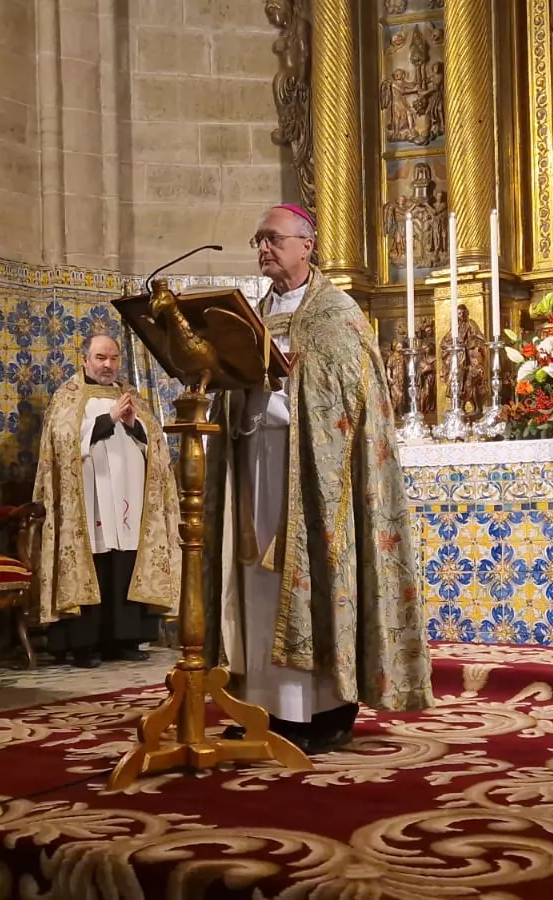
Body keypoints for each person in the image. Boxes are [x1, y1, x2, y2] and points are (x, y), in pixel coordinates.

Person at [204, 203, 433, 756]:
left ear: (306, 245)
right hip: (254, 466)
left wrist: (290, 385)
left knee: (311, 578)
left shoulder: (337, 314)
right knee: (255, 585)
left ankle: (318, 710)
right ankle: (263, 704)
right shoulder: (247, 316)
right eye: (257, 239)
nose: (263, 248)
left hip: (313, 477)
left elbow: (353, 404)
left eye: (273, 238)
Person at [32, 334, 179, 668]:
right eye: (101, 358)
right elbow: (63, 442)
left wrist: (134, 425)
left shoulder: (131, 398)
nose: (108, 365)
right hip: (88, 499)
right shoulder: (68, 397)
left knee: (124, 562)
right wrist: (107, 419)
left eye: (113, 358)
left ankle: (125, 640)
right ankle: (83, 644)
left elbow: (153, 441)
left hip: (129, 496)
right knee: (94, 563)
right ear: (84, 360)